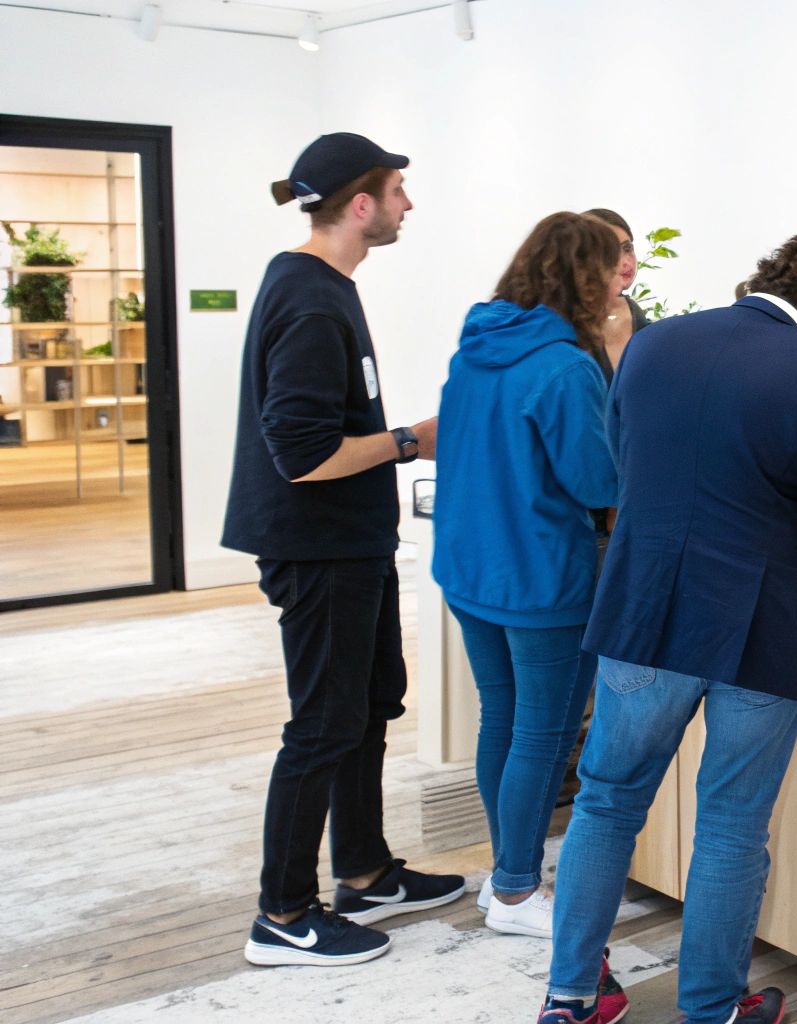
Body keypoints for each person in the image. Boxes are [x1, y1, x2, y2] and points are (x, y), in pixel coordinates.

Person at [538, 234, 797, 1024]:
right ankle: (712, 1009)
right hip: (758, 627)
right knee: (730, 823)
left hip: (642, 610)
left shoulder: (651, 344)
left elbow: (631, 469)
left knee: (605, 803)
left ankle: (570, 999)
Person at [224, 132, 464, 968]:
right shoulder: (312, 299)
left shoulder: (323, 286)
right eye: (398, 190)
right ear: (360, 205)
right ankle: (284, 914)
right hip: (315, 546)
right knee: (323, 725)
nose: (408, 204)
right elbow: (302, 453)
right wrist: (412, 440)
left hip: (349, 542)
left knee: (367, 707)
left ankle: (363, 871)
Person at [431, 213, 621, 941]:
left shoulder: (476, 347)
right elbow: (595, 479)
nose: (614, 284)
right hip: (540, 579)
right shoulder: (565, 366)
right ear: (584, 277)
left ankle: (503, 876)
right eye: (608, 269)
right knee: (542, 737)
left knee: (503, 722)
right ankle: (514, 891)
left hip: (470, 569)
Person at [581, 208, 648, 371]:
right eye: (610, 252)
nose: (625, 262)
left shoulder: (633, 313)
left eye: (627, 248)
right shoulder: (562, 319)